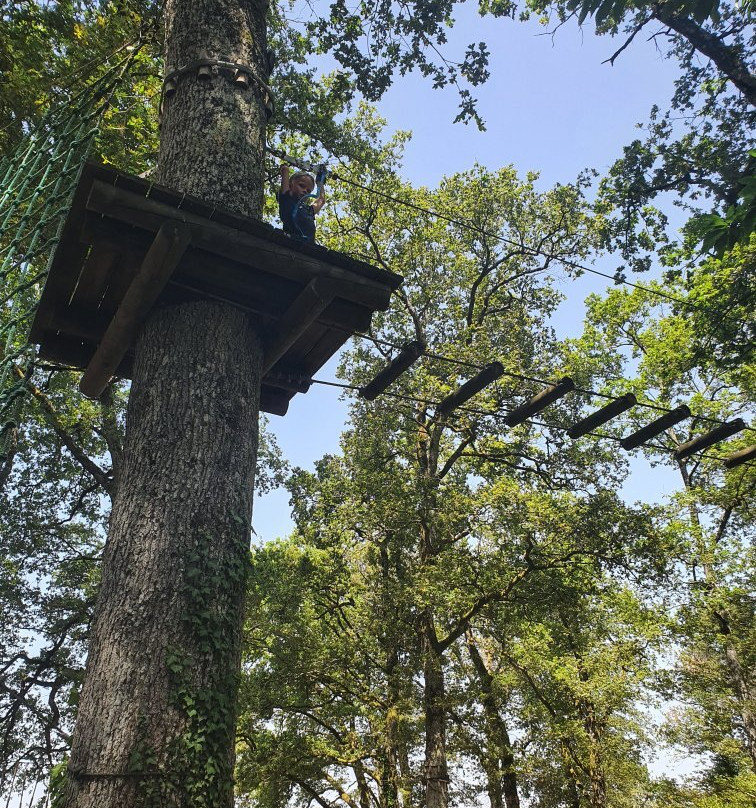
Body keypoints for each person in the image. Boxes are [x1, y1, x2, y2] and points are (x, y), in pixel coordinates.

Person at [277, 164, 326, 242]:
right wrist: (285, 168)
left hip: (309, 246)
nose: (305, 191)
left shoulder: (309, 210)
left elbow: (321, 200)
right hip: (291, 242)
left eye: (308, 191)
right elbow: (285, 172)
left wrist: (320, 182)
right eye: (301, 186)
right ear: (291, 184)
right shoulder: (287, 198)